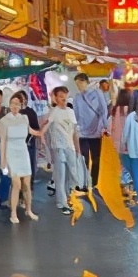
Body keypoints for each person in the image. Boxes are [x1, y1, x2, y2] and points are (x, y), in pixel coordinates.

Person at [0, 91, 38, 225]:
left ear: (21, 105)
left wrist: (43, 131)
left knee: (27, 183)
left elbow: (31, 131)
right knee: (16, 183)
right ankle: (13, 213)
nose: (15, 106)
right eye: (12, 103)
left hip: (23, 152)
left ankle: (29, 210)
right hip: (11, 152)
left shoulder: (24, 118)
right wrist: (3, 161)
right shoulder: (4, 121)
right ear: (9, 105)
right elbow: (2, 141)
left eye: (17, 104)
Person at [43, 85, 80, 214]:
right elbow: (45, 128)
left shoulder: (70, 111)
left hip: (70, 147)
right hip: (58, 148)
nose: (63, 99)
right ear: (55, 98)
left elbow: (74, 131)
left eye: (65, 96)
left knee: (73, 174)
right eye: (61, 97)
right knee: (61, 175)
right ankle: (62, 202)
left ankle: (70, 198)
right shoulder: (54, 112)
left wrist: (78, 149)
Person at [72, 73, 109, 192]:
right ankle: (83, 183)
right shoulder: (77, 97)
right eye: (76, 85)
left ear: (84, 81)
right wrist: (75, 127)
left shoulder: (97, 93)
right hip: (82, 132)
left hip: (96, 131)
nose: (78, 87)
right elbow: (76, 114)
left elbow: (104, 110)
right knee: (83, 159)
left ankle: (94, 182)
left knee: (96, 158)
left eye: (79, 84)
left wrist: (105, 126)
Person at [109, 88, 135, 201]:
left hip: (116, 141)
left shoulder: (115, 109)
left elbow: (110, 126)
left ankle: (121, 187)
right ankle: (129, 188)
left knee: (120, 165)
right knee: (129, 165)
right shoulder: (129, 110)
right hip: (127, 141)